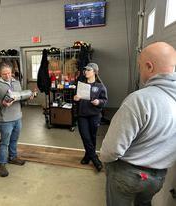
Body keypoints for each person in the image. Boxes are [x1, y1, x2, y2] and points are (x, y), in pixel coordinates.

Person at [100, 42, 176, 206]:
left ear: (149, 67)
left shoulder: (140, 99)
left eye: (140, 66)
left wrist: (105, 161)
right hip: (157, 177)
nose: (140, 71)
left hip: (128, 175)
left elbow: (112, 149)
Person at [0, 61, 29, 177]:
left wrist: (27, 96)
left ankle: (13, 157)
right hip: (5, 120)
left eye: (9, 73)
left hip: (17, 117)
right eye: (4, 74)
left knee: (14, 140)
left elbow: (19, 96)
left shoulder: (16, 82)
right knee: (4, 142)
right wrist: (1, 102)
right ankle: (1, 164)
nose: (8, 76)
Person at [73, 63, 108, 172]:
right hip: (82, 115)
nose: (86, 71)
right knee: (85, 137)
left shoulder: (100, 86)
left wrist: (98, 102)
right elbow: (75, 98)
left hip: (94, 116)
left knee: (92, 137)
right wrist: (76, 98)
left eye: (89, 70)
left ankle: (87, 156)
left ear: (95, 72)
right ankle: (95, 159)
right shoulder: (81, 85)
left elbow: (105, 101)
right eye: (85, 69)